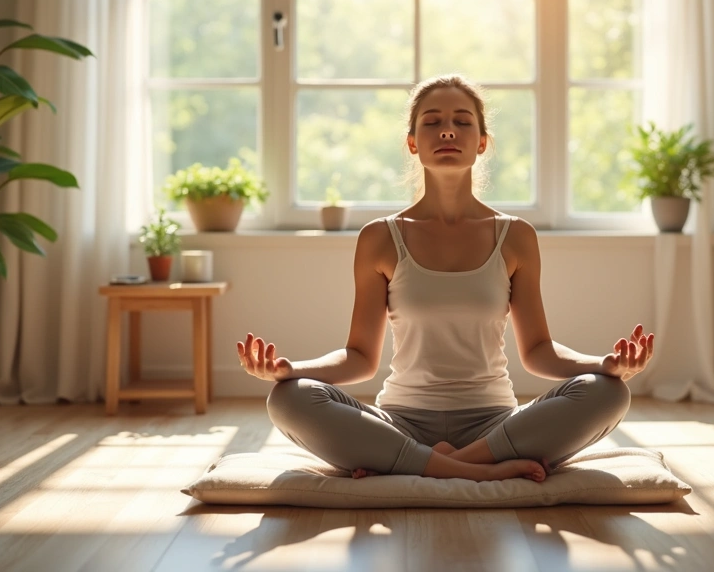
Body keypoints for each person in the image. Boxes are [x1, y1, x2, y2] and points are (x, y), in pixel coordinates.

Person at [237, 74, 654, 483]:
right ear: (413, 143)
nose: (448, 131)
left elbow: (538, 351)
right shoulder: (380, 238)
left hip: (494, 427)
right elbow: (360, 357)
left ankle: (430, 464)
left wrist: (604, 365)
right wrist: (291, 370)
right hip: (401, 424)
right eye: (432, 122)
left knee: (608, 392)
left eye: (462, 122)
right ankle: (476, 470)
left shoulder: (516, 236)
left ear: (482, 142)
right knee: (288, 398)